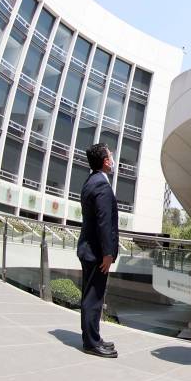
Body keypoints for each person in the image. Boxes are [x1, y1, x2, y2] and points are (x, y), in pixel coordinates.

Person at [76, 143, 119, 358]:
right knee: (93, 298)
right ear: (105, 161)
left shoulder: (90, 181)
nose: (113, 159)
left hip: (89, 249)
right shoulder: (101, 185)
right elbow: (104, 222)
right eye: (111, 156)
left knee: (92, 296)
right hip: (96, 253)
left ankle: (94, 336)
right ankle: (91, 343)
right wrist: (108, 253)